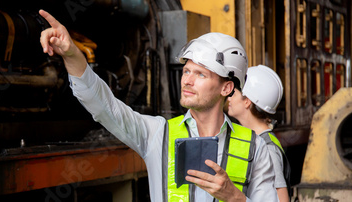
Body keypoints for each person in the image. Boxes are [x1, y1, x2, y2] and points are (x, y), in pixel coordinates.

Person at [38, 9, 278, 202]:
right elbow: (105, 106)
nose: (187, 79)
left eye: (201, 74)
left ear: (227, 88)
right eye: (186, 71)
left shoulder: (255, 149)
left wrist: (234, 197)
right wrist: (71, 54)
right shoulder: (157, 134)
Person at [227, 65, 291, 202]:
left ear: (247, 101)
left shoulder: (268, 147)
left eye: (234, 93)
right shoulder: (253, 139)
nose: (229, 98)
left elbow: (282, 196)